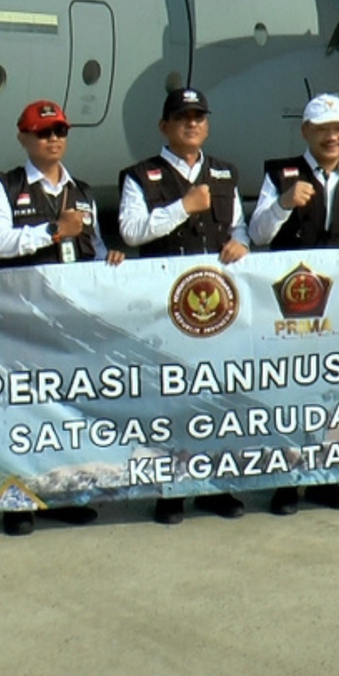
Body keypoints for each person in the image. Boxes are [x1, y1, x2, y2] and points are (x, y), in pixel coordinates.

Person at [0, 98, 124, 534]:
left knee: (63, 407)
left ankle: (59, 495)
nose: (53, 139)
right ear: (24, 137)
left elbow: (93, 247)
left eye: (60, 131)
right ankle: (16, 503)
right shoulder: (3, 185)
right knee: (20, 410)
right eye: (43, 132)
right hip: (19, 316)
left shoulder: (81, 190)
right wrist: (52, 230)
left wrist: (109, 257)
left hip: (67, 322)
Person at [117, 87, 248, 525]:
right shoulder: (140, 175)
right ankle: (169, 490)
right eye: (182, 117)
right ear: (164, 126)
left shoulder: (225, 173)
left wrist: (240, 244)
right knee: (169, 396)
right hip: (164, 310)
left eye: (199, 117)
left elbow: (241, 230)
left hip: (217, 308)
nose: (192, 124)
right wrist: (183, 206)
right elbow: (132, 231)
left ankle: (217, 486)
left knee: (217, 395)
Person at [249, 93, 339, 515]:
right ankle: (286, 482)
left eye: (338, 129)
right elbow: (258, 234)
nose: (331, 137)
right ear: (305, 131)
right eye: (322, 129)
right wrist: (284, 203)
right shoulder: (279, 173)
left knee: (335, 394)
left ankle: (329, 478)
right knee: (290, 396)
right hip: (292, 308)